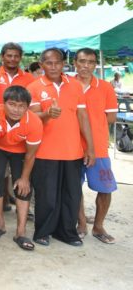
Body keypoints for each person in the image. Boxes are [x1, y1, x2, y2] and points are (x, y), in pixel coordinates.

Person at [27, 48, 95, 246]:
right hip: (44, 151)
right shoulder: (33, 87)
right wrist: (48, 113)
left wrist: (90, 148)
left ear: (64, 64)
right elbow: (31, 118)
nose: (54, 66)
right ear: (41, 65)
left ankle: (66, 232)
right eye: (49, 63)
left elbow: (83, 117)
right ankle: (43, 231)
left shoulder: (75, 86)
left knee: (71, 194)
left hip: (72, 151)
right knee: (46, 195)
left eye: (58, 62)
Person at [0, 85, 42, 251]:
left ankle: (21, 232)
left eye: (21, 106)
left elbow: (31, 155)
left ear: (28, 107)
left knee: (24, 188)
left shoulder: (34, 122)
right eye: (12, 104)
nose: (16, 110)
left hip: (21, 152)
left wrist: (25, 178)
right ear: (3, 103)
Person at [74, 48, 118, 244]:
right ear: (75, 62)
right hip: (72, 146)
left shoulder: (105, 87)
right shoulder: (67, 85)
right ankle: (81, 223)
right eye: (82, 61)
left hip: (98, 147)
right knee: (74, 187)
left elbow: (110, 117)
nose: (86, 65)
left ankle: (98, 226)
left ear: (95, 64)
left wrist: (93, 131)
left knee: (105, 187)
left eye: (91, 62)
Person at [0, 43, 35, 107]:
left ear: (20, 58)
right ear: (2, 57)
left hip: (19, 115)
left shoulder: (29, 78)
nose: (13, 59)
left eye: (16, 56)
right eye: (9, 56)